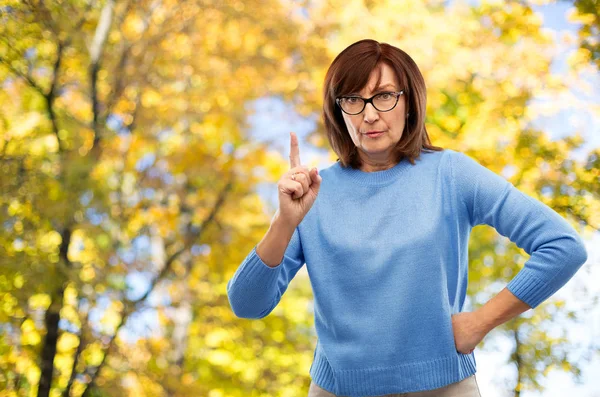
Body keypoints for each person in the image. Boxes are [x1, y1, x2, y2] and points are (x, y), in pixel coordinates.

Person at [226, 39, 588, 397]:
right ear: (339, 111)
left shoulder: (451, 174)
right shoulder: (312, 193)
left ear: (409, 102)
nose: (369, 114)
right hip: (339, 390)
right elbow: (247, 305)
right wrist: (284, 222)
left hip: (445, 388)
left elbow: (562, 247)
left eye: (384, 96)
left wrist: (479, 321)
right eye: (353, 99)